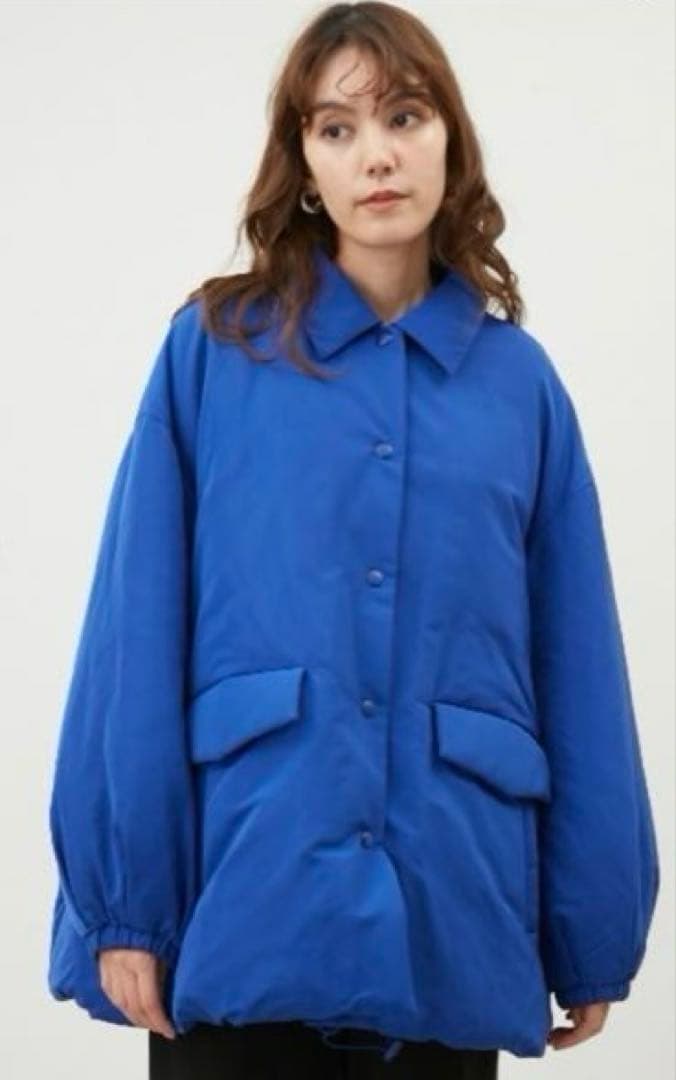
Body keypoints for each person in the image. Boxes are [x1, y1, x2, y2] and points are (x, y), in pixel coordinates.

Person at [46, 3, 660, 1078]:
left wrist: (593, 924)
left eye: (405, 117)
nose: (376, 155)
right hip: (243, 905)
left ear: (450, 142)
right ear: (304, 167)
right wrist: (125, 904)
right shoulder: (214, 354)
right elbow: (131, 633)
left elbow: (579, 664)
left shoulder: (518, 387)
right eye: (337, 128)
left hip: (451, 928)